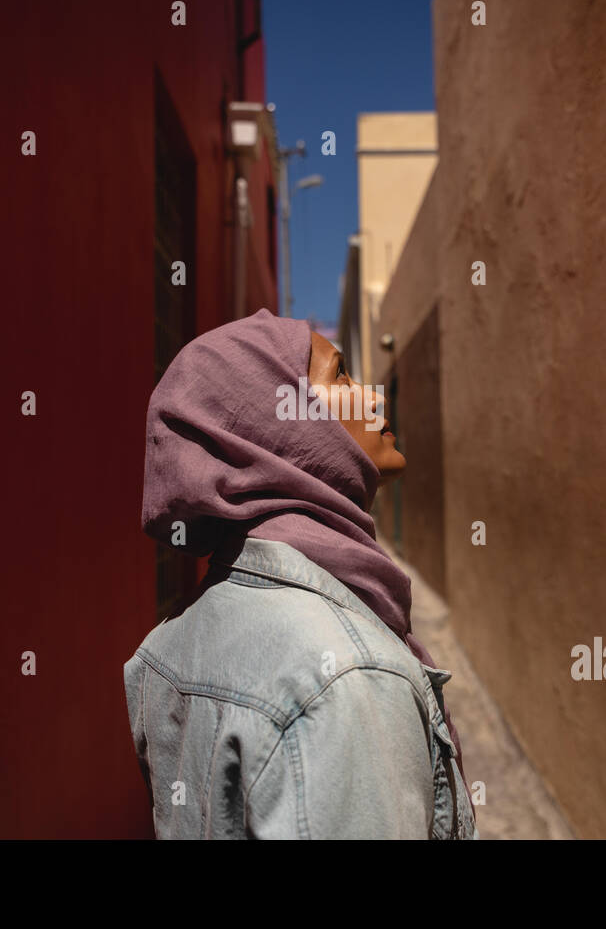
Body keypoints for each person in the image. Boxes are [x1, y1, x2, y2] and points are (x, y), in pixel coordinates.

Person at [124, 307, 477, 839]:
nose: (373, 395)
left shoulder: (165, 648)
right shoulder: (348, 677)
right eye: (339, 375)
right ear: (277, 423)